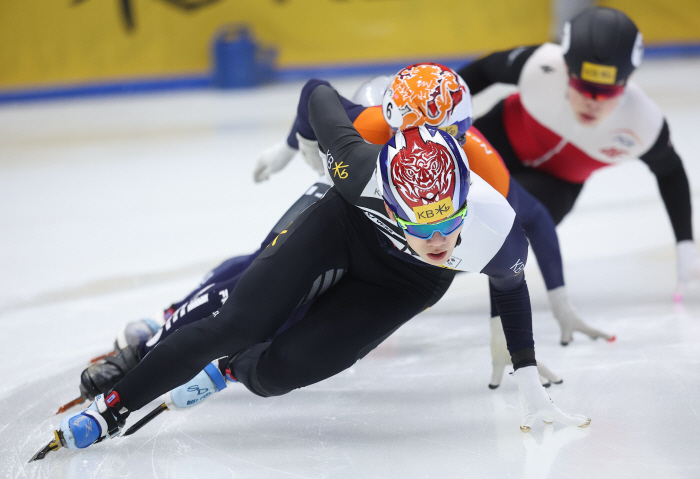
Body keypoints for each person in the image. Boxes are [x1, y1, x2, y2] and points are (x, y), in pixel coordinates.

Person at [48, 87, 589, 454]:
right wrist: (289, 149)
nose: (439, 243)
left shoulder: (497, 224)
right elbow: (315, 91)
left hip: (404, 283)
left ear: (468, 198)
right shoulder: (356, 166)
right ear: (390, 197)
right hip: (343, 223)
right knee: (237, 320)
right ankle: (114, 404)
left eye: (449, 225)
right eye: (421, 228)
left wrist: (525, 371)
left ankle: (231, 370)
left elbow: (512, 286)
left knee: (282, 371)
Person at [454, 6, 700, 300]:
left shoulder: (642, 123)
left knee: (497, 228)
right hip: (496, 142)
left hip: (553, 185)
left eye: (607, 92)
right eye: (583, 87)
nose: (592, 102)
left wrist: (686, 246)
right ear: (567, 70)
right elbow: (482, 72)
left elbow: (670, 172)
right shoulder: (540, 64)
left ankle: (422, 274)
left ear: (625, 84)